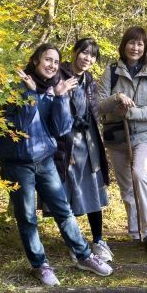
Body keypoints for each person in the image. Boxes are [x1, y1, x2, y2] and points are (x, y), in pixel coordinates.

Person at [0, 43, 113, 286]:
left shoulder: (53, 88)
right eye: (47, 60)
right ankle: (40, 265)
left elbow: (61, 129)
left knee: (64, 210)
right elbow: (19, 127)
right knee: (27, 216)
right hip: (17, 163)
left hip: (45, 159)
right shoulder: (17, 85)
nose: (52, 65)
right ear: (37, 60)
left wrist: (59, 98)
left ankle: (83, 256)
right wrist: (30, 94)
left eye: (56, 62)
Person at [98, 26, 147, 255]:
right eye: (131, 43)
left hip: (142, 135)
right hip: (116, 135)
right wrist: (117, 98)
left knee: (140, 174)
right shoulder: (112, 71)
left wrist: (132, 113)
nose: (135, 48)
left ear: (144, 48)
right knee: (127, 185)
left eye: (140, 44)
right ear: (124, 44)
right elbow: (97, 104)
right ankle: (137, 230)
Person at [49, 38, 114, 263]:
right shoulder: (59, 75)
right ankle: (76, 244)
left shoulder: (89, 80)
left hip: (88, 141)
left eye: (93, 55)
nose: (88, 58)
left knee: (94, 187)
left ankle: (98, 240)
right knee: (72, 191)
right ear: (75, 52)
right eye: (84, 52)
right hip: (67, 142)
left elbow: (93, 111)